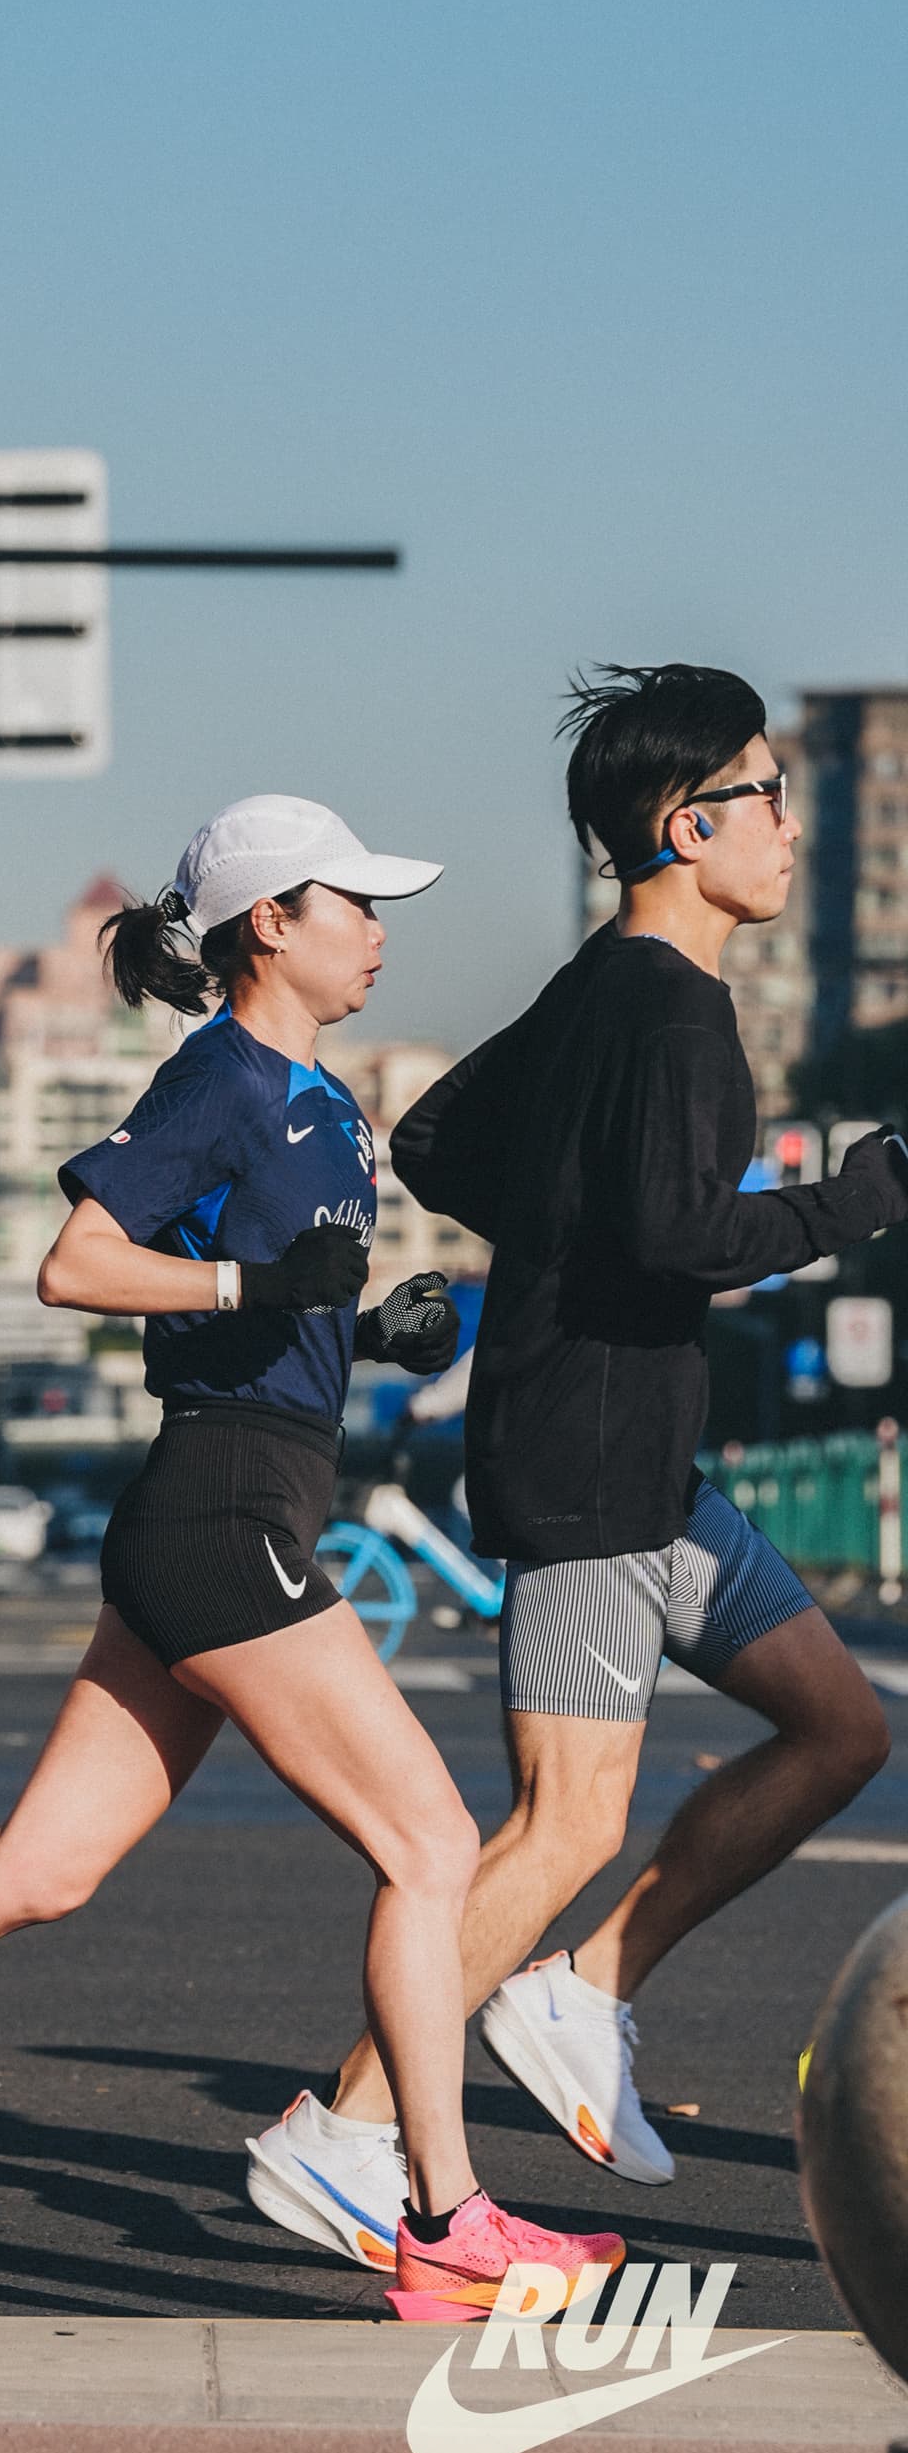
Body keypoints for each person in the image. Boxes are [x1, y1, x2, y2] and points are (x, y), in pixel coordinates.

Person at [0, 795, 623, 2319]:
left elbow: (254, 1302)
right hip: (220, 1515)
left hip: (249, 1499)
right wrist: (251, 1278)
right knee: (432, 1850)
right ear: (267, 924)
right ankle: (445, 2219)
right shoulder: (219, 1080)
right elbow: (78, 1261)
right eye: (351, 901)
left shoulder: (330, 1103)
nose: (379, 928)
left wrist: (358, 1327)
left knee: (39, 1869)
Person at [253, 665, 907, 2259]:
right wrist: (860, 1200)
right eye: (763, 796)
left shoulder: (604, 981)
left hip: (644, 1454)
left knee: (837, 1728)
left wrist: (554, 1250)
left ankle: (586, 1987)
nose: (786, 826)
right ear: (687, 829)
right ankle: (338, 2132)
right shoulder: (673, 1014)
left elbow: (435, 1143)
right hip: (590, 1461)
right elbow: (683, 1233)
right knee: (560, 1825)